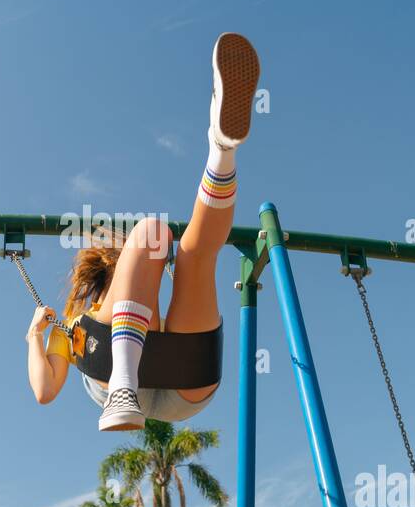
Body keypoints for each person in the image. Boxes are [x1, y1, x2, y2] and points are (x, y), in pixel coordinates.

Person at [26, 32, 260, 431]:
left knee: (164, 240)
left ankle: (222, 148)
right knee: (191, 253)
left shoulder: (76, 321)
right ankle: (221, 153)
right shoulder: (76, 320)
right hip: (190, 378)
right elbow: (46, 393)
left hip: (164, 380)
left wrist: (34, 336)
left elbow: (46, 390)